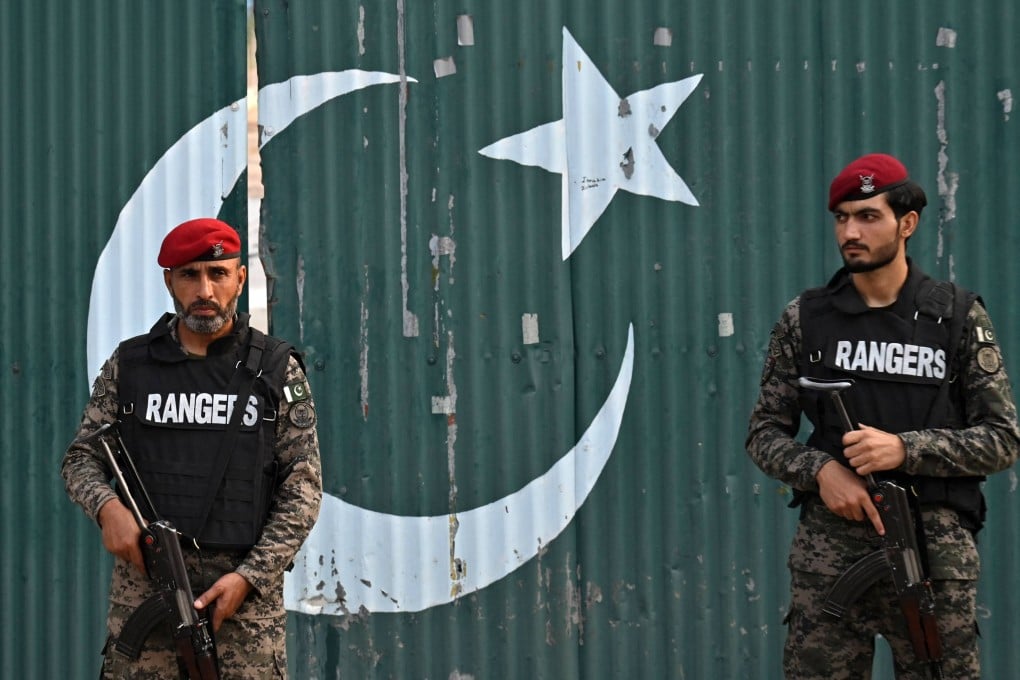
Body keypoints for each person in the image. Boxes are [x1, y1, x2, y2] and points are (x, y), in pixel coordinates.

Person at [746, 153, 1020, 678]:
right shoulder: (805, 319)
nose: (851, 230)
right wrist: (821, 472)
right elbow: (763, 433)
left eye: (868, 216)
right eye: (842, 217)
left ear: (907, 223)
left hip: (934, 561)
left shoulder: (957, 317)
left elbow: (1002, 438)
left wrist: (906, 448)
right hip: (830, 556)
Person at [62, 217, 323, 678]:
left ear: (239, 279)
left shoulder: (277, 371)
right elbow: (81, 458)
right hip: (145, 595)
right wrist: (107, 509)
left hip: (245, 615)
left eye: (217, 273)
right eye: (189, 274)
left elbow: (303, 488)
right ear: (170, 282)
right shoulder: (131, 366)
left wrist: (249, 577)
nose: (204, 289)